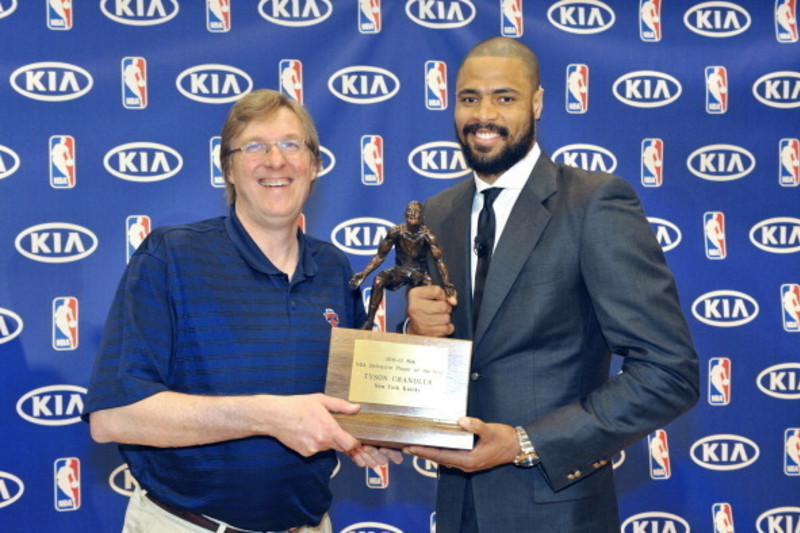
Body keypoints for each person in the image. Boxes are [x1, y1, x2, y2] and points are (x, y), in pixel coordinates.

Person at [403, 37, 700, 532]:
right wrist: (414, 331)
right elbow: (446, 363)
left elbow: (670, 372)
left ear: (537, 103)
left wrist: (526, 442)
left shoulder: (595, 203)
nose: (483, 115)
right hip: (458, 512)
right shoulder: (437, 214)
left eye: (505, 97)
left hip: (560, 512)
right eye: (469, 98)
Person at [83, 89, 400, 533]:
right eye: (254, 146)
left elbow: (344, 402)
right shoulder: (171, 257)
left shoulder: (333, 268)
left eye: (292, 144)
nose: (276, 160)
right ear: (228, 169)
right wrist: (270, 416)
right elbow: (112, 418)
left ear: (313, 165)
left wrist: (368, 430)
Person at [349, 200, 455, 330]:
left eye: (417, 212)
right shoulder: (396, 232)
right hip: (401, 271)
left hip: (420, 273)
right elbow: (380, 256)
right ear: (404, 215)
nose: (413, 214)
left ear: (423, 217)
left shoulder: (428, 236)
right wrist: (364, 274)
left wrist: (447, 283)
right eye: (410, 211)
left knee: (429, 292)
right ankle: (370, 321)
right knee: (378, 280)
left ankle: (427, 330)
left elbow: (439, 261)